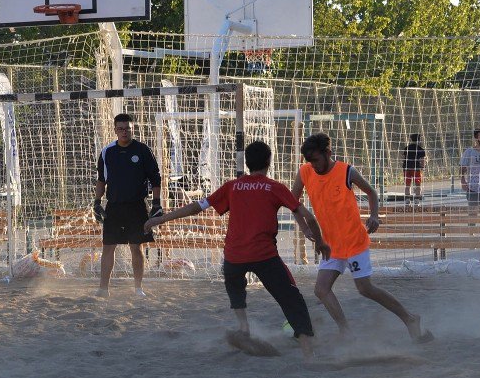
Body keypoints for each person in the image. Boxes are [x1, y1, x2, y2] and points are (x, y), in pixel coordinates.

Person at [145, 141, 329, 359]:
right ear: (269, 162)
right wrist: (319, 241)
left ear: (246, 163)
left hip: (233, 257)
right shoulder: (274, 187)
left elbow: (197, 207)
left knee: (235, 287)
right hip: (264, 256)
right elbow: (308, 216)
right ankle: (308, 351)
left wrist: (162, 219)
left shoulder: (232, 186)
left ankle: (243, 329)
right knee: (292, 299)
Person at [292, 132, 433, 343]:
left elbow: (372, 193)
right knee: (321, 289)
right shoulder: (305, 172)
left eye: (316, 160)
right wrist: (304, 227)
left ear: (328, 153)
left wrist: (374, 215)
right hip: (330, 244)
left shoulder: (346, 171)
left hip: (354, 241)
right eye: (309, 161)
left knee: (364, 288)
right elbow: (293, 201)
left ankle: (410, 318)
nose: (312, 165)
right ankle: (346, 332)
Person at [94, 113, 163, 297]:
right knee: (108, 246)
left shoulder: (142, 150)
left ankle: (138, 288)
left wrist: (156, 204)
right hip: (114, 206)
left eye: (128, 129)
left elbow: (156, 178)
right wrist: (97, 202)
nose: (124, 132)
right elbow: (101, 180)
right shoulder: (107, 152)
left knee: (136, 246)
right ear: (115, 130)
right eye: (121, 129)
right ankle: (103, 289)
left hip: (137, 206)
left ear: (133, 129)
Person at [401, 133, 426, 205]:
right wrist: (423, 167)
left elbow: (403, 159)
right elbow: (422, 161)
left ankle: (407, 200)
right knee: (418, 185)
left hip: (407, 168)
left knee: (407, 185)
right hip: (416, 168)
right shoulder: (421, 149)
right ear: (419, 140)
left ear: (411, 139)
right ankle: (417, 200)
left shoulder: (407, 148)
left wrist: (404, 167)